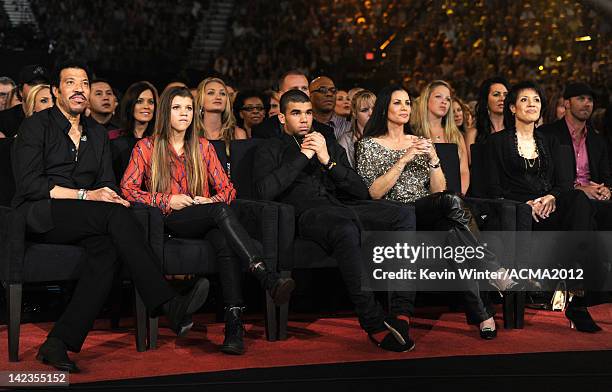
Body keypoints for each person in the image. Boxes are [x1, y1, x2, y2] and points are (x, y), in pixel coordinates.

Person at [11, 61, 210, 373]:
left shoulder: (97, 134)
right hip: (40, 213)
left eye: (84, 83)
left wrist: (115, 197)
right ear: (56, 91)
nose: (79, 89)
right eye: (70, 83)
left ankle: (58, 342)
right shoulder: (36, 125)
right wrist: (86, 196)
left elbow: (105, 182)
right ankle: (167, 302)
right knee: (113, 217)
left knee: (108, 250)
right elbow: (30, 185)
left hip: (86, 217)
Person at [121, 86, 294, 355]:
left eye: (189, 108)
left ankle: (233, 326)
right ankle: (264, 274)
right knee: (219, 213)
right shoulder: (146, 147)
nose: (184, 114)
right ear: (166, 111)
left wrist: (207, 201)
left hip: (204, 215)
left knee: (224, 240)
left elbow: (228, 190)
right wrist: (168, 200)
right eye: (177, 108)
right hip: (170, 219)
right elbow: (128, 190)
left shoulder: (202, 146)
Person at [253, 89, 417, 353]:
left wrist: (327, 161)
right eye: (296, 113)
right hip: (309, 215)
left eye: (308, 112)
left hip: (344, 205)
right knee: (344, 228)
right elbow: (264, 191)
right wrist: (303, 156)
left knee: (404, 214)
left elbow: (360, 189)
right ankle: (373, 320)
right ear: (282, 118)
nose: (304, 119)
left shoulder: (327, 142)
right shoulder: (269, 147)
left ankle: (401, 313)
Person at [356, 85, 517, 340]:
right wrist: (403, 159)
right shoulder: (369, 145)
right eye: (397, 103)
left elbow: (439, 190)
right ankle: (490, 283)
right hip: (395, 213)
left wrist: (432, 158)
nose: (404, 108)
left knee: (453, 232)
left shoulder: (419, 141)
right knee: (453, 215)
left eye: (407, 103)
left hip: (425, 208)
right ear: (384, 107)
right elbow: (374, 193)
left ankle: (484, 311)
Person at [486, 81, 602, 332]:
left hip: (548, 208)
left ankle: (577, 297)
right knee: (582, 216)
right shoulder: (496, 142)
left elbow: (563, 183)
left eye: (536, 100)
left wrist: (551, 197)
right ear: (513, 108)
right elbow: (493, 189)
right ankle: (575, 295)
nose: (532, 105)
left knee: (580, 201)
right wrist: (526, 204)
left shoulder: (550, 141)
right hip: (517, 211)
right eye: (525, 100)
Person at [540, 82, 611, 201]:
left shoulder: (597, 140)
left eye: (590, 100)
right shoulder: (547, 134)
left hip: (596, 200)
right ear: (567, 103)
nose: (587, 103)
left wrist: (607, 190)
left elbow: (606, 177)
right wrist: (578, 189)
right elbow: (544, 178)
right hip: (561, 199)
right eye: (581, 99)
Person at [411, 80, 470, 195]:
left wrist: (457, 197)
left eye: (448, 99)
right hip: (422, 200)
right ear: (426, 100)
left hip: (453, 201)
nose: (444, 102)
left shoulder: (455, 135)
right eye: (438, 97)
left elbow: (463, 171)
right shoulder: (414, 132)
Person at [251, 70, 334, 139]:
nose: (300, 92)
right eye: (294, 89)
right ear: (280, 95)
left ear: (309, 93)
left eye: (304, 88)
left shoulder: (326, 132)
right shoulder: (263, 131)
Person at [110, 81, 159, 180]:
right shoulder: (114, 140)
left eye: (151, 102)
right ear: (130, 105)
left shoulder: (160, 141)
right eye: (139, 101)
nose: (146, 106)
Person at [0, 64, 50, 138]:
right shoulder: (3, 120)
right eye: (33, 84)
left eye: (44, 84)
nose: (38, 89)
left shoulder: (58, 117)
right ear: (20, 91)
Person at [194, 77, 247, 142]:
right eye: (211, 93)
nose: (218, 97)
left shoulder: (238, 134)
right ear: (200, 99)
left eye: (222, 93)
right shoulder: (190, 134)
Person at [337, 90, 375, 167]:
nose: (371, 113)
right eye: (364, 110)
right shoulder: (345, 141)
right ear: (354, 114)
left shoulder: (387, 136)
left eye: (374, 109)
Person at [469, 77, 509, 147]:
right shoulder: (473, 134)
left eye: (505, 95)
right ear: (486, 100)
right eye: (496, 94)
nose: (502, 98)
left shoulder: (516, 131)